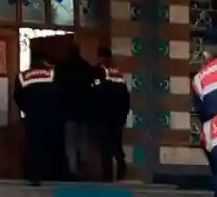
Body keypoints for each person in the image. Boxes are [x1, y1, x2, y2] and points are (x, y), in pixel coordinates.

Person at [15, 55, 66, 186]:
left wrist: (27, 109)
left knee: (33, 145)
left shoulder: (23, 76)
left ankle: (33, 175)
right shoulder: (53, 75)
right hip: (51, 116)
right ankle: (50, 173)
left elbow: (17, 96)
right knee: (50, 145)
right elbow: (61, 94)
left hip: (33, 116)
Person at [56, 44, 97, 179]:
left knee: (70, 142)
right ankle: (85, 167)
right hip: (85, 110)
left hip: (68, 110)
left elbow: (57, 87)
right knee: (83, 140)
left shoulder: (62, 67)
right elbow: (94, 84)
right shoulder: (86, 66)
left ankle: (73, 170)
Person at [91, 46, 131, 181]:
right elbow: (126, 97)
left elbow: (96, 95)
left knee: (105, 146)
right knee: (115, 144)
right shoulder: (118, 74)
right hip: (117, 116)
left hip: (104, 115)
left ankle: (107, 175)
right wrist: (123, 116)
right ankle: (121, 166)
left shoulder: (99, 72)